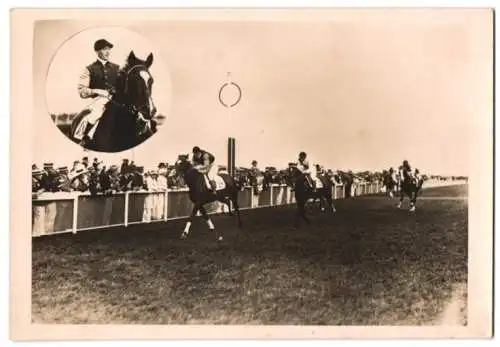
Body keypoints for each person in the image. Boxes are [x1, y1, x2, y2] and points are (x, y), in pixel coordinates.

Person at [74, 39, 120, 146]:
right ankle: (84, 138)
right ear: (97, 51)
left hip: (116, 100)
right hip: (98, 101)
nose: (108, 52)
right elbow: (82, 91)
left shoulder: (117, 68)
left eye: (109, 49)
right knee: (93, 116)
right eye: (104, 49)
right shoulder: (89, 69)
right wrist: (97, 91)